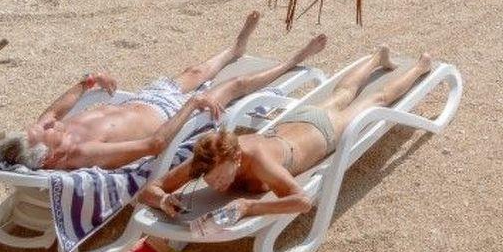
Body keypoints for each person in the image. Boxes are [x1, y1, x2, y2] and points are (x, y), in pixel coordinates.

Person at [136, 48, 439, 230]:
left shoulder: (261, 162)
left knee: (375, 100)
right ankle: (376, 57)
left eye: (219, 177)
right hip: (292, 123)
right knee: (341, 94)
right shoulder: (208, 157)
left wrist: (249, 207)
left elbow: (302, 202)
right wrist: (163, 199)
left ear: (237, 158)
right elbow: (149, 190)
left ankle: (420, 66)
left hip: (323, 131)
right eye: (211, 180)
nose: (214, 184)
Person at [0, 12, 328, 172]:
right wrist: (192, 106)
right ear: (50, 157)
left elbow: (55, 110)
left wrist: (88, 81)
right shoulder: (82, 153)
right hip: (172, 117)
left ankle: (235, 49)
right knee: (234, 86)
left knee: (195, 71)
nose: (50, 123)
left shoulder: (45, 133)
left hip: (143, 99)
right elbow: (153, 145)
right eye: (47, 131)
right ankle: (294, 60)